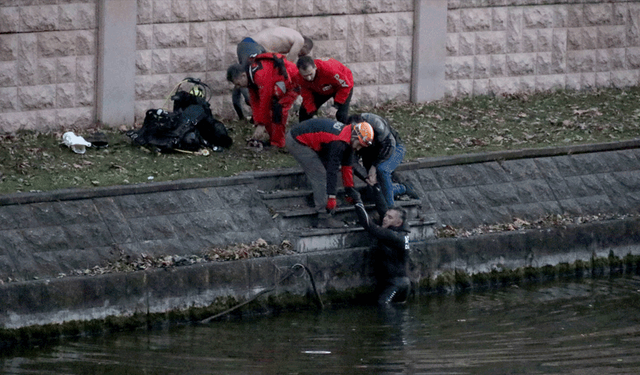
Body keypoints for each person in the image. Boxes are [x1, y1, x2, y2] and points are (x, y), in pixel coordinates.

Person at [285, 118, 372, 228]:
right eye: (359, 144)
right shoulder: (339, 142)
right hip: (297, 141)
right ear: (355, 137)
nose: (358, 148)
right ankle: (323, 217)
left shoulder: (348, 136)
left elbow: (347, 167)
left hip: (312, 139)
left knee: (323, 170)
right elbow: (332, 171)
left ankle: (318, 198)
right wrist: (331, 197)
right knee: (320, 174)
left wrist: (349, 189)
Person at [232, 27, 313, 121]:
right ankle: (257, 116)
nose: (300, 56)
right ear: (305, 46)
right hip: (254, 46)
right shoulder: (300, 40)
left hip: (246, 45)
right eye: (303, 53)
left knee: (242, 80)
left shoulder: (289, 38)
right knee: (248, 79)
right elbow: (287, 65)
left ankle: (242, 117)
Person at [352, 185, 411, 305]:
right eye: (386, 216)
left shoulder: (393, 236)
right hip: (400, 283)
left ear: (398, 222)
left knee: (383, 307)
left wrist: (358, 202)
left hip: (395, 284)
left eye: (389, 218)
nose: (384, 219)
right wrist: (375, 187)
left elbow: (369, 225)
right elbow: (383, 208)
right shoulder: (400, 231)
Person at [227, 52, 299, 149]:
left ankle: (278, 143)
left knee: (278, 110)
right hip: (279, 85)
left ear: (243, 76)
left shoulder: (259, 75)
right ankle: (273, 139)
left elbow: (265, 99)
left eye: (238, 84)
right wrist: (258, 123)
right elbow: (255, 102)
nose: (238, 87)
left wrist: (261, 125)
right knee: (269, 111)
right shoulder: (251, 77)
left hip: (292, 83)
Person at [348, 113, 417, 207]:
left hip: (394, 148)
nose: (358, 149)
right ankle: (402, 188)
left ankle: (390, 209)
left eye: (361, 145)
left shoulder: (376, 123)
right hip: (371, 155)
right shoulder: (348, 134)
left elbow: (389, 145)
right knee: (374, 190)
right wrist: (366, 176)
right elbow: (351, 161)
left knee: (383, 169)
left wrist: (374, 167)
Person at [296, 56, 354, 124]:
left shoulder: (329, 70)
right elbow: (306, 95)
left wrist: (336, 106)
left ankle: (348, 131)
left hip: (342, 87)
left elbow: (345, 86)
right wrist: (312, 113)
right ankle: (305, 133)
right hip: (320, 88)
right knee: (305, 112)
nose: (309, 78)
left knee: (341, 115)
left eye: (310, 74)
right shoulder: (299, 77)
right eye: (305, 76)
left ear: (315, 67)